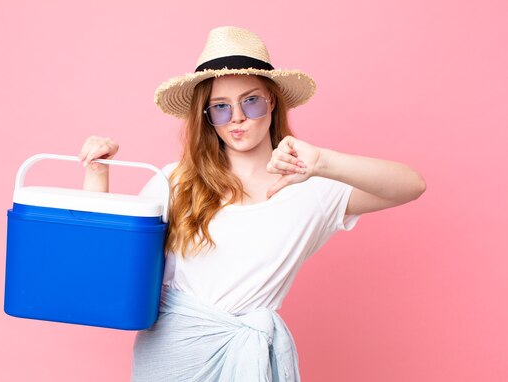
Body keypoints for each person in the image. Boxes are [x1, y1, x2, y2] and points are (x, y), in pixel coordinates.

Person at [78, 26, 426, 382]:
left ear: (272, 101)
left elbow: (411, 185)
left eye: (251, 101)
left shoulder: (310, 187)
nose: (238, 118)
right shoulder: (175, 181)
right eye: (220, 108)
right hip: (173, 356)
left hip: (251, 358)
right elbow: (107, 261)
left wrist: (322, 161)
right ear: (206, 117)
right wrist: (97, 172)